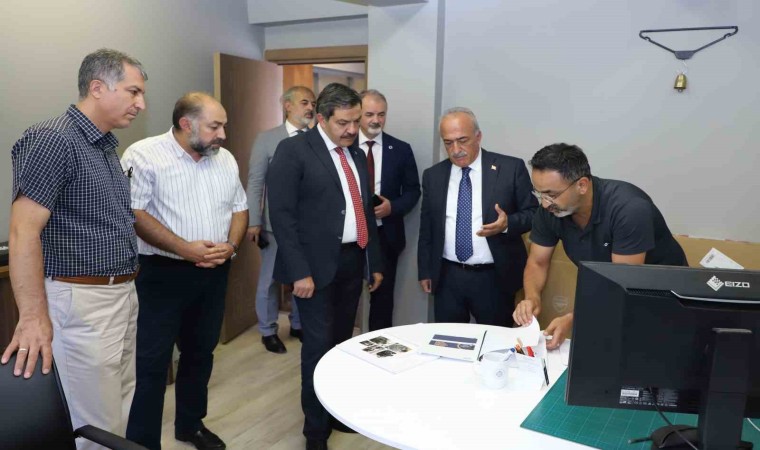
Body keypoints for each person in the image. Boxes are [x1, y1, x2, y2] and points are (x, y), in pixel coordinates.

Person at [2, 48, 147, 448]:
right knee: (92, 427)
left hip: (120, 295)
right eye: (133, 92)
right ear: (98, 88)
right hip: (80, 301)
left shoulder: (105, 146)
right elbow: (23, 232)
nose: (141, 104)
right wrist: (33, 317)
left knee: (116, 413)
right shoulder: (53, 139)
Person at [122, 92, 248, 450]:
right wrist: (184, 249)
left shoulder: (224, 159)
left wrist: (232, 246)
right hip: (161, 275)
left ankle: (190, 425)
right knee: (152, 362)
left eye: (223, 126)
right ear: (185, 124)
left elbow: (240, 208)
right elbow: (134, 213)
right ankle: (143, 442)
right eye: (215, 126)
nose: (223, 134)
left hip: (213, 273)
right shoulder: (143, 155)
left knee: (200, 353)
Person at [267, 83, 383, 450]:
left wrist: (373, 261)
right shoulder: (293, 151)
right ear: (321, 118)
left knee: (342, 344)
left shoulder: (355, 154)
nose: (352, 130)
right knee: (317, 348)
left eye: (355, 121)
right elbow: (282, 216)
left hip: (351, 260)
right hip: (312, 269)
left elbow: (364, 210)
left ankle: (335, 412)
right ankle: (315, 432)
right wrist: (299, 271)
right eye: (343, 123)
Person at [513, 143, 687, 349]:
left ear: (582, 185)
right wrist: (532, 298)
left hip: (662, 298)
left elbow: (622, 284)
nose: (544, 203)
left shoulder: (629, 209)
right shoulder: (550, 210)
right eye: (539, 194)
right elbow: (538, 262)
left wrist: (574, 318)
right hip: (610, 295)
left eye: (552, 194)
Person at [418, 107, 538, 326]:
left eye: (462, 140)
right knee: (448, 340)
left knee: (495, 341)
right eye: (448, 143)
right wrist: (425, 270)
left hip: (494, 277)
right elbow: (427, 227)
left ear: (478, 136)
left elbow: (534, 214)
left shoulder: (510, 168)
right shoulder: (433, 176)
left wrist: (507, 224)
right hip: (447, 277)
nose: (456, 150)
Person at [246, 86, 315, 353]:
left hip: (307, 226)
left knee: (303, 275)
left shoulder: (316, 139)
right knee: (270, 280)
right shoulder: (267, 139)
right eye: (304, 102)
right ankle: (268, 330)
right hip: (274, 226)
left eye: (313, 103)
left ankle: (298, 324)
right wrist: (254, 221)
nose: (310, 108)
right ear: (287, 105)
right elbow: (256, 182)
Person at [357, 89, 420, 331]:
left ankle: (377, 347)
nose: (376, 120)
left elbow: (413, 191)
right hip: (350, 238)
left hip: (385, 237)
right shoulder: (344, 147)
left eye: (381, 114)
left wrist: (392, 207)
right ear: (358, 114)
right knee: (344, 298)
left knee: (382, 303)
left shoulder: (401, 149)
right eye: (369, 114)